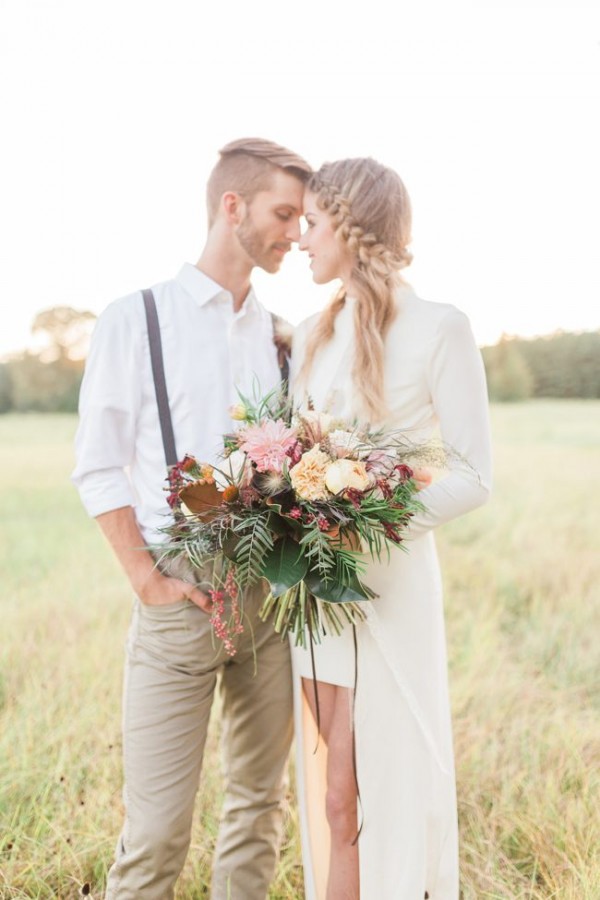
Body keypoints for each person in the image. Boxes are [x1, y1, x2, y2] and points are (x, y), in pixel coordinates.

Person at [71, 138, 312, 900]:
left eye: (304, 220)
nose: (295, 234)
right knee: (156, 833)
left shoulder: (282, 336)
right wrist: (145, 577)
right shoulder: (135, 319)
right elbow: (97, 462)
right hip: (179, 599)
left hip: (269, 600)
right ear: (230, 206)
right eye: (284, 213)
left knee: (258, 810)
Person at [289, 158, 492, 899]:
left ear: (350, 224)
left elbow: (475, 477)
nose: (302, 240)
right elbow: (293, 451)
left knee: (390, 785)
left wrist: (365, 521)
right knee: (333, 792)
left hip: (392, 590)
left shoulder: (442, 328)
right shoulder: (311, 332)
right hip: (315, 593)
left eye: (312, 223)